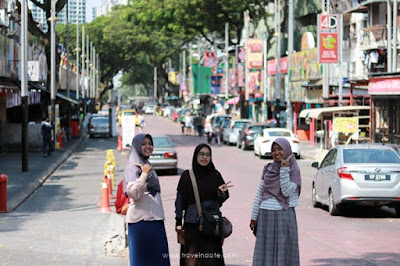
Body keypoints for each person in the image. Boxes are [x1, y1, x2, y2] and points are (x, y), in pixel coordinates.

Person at [175, 143, 233, 266]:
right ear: (195, 156)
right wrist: (178, 222)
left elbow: (218, 202)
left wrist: (221, 193)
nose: (204, 157)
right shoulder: (187, 176)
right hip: (192, 225)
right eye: (201, 154)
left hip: (211, 226)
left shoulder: (215, 175)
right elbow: (179, 200)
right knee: (192, 261)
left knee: (211, 261)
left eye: (207, 155)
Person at [250, 138, 302, 266]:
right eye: (273, 150)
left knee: (284, 251)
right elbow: (259, 193)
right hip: (265, 215)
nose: (276, 153)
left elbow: (286, 192)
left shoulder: (294, 170)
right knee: (265, 253)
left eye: (280, 149)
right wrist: (253, 217)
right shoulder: (268, 168)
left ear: (287, 150)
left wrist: (284, 170)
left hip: (284, 216)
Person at [123, 133, 170, 266]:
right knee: (142, 261)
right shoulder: (132, 167)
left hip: (155, 220)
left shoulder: (146, 164)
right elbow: (133, 193)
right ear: (137, 146)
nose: (148, 147)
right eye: (143, 144)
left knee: (159, 260)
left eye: (150, 144)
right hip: (141, 222)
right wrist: (143, 174)